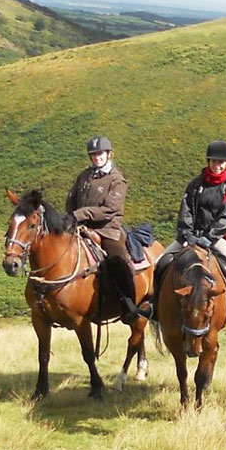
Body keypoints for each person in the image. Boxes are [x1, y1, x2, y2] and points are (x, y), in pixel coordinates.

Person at [142, 140, 226, 325]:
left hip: (217, 237)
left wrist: (208, 238)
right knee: (160, 263)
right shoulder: (196, 184)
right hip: (192, 235)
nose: (217, 165)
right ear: (208, 161)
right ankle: (155, 304)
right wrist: (188, 234)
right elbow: (186, 209)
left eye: (221, 162)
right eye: (214, 161)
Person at [66, 136, 141, 322]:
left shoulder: (117, 180)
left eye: (100, 154)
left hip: (107, 229)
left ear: (108, 154)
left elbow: (109, 210)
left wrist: (80, 214)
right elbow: (71, 197)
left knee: (118, 259)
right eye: (93, 154)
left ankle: (128, 303)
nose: (97, 157)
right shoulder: (84, 175)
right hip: (80, 226)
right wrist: (70, 216)